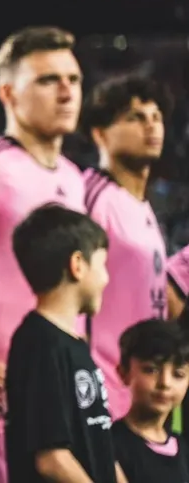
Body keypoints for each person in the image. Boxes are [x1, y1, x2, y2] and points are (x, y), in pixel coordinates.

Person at [0, 26, 87, 483]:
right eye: (48, 80)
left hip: (63, 404)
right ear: (8, 93)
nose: (66, 91)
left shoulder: (74, 178)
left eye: (73, 79)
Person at [5, 204, 120, 483]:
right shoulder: (40, 344)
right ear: (77, 265)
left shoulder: (72, 344)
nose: (107, 278)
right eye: (103, 265)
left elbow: (100, 445)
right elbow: (52, 459)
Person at [81, 73, 172, 419]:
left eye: (156, 117)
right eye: (135, 117)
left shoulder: (142, 207)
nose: (151, 126)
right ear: (100, 134)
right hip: (105, 400)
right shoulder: (91, 198)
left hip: (142, 401)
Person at [111, 319, 189, 482]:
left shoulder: (183, 448)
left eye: (178, 374)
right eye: (151, 370)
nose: (165, 383)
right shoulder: (110, 445)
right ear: (123, 373)